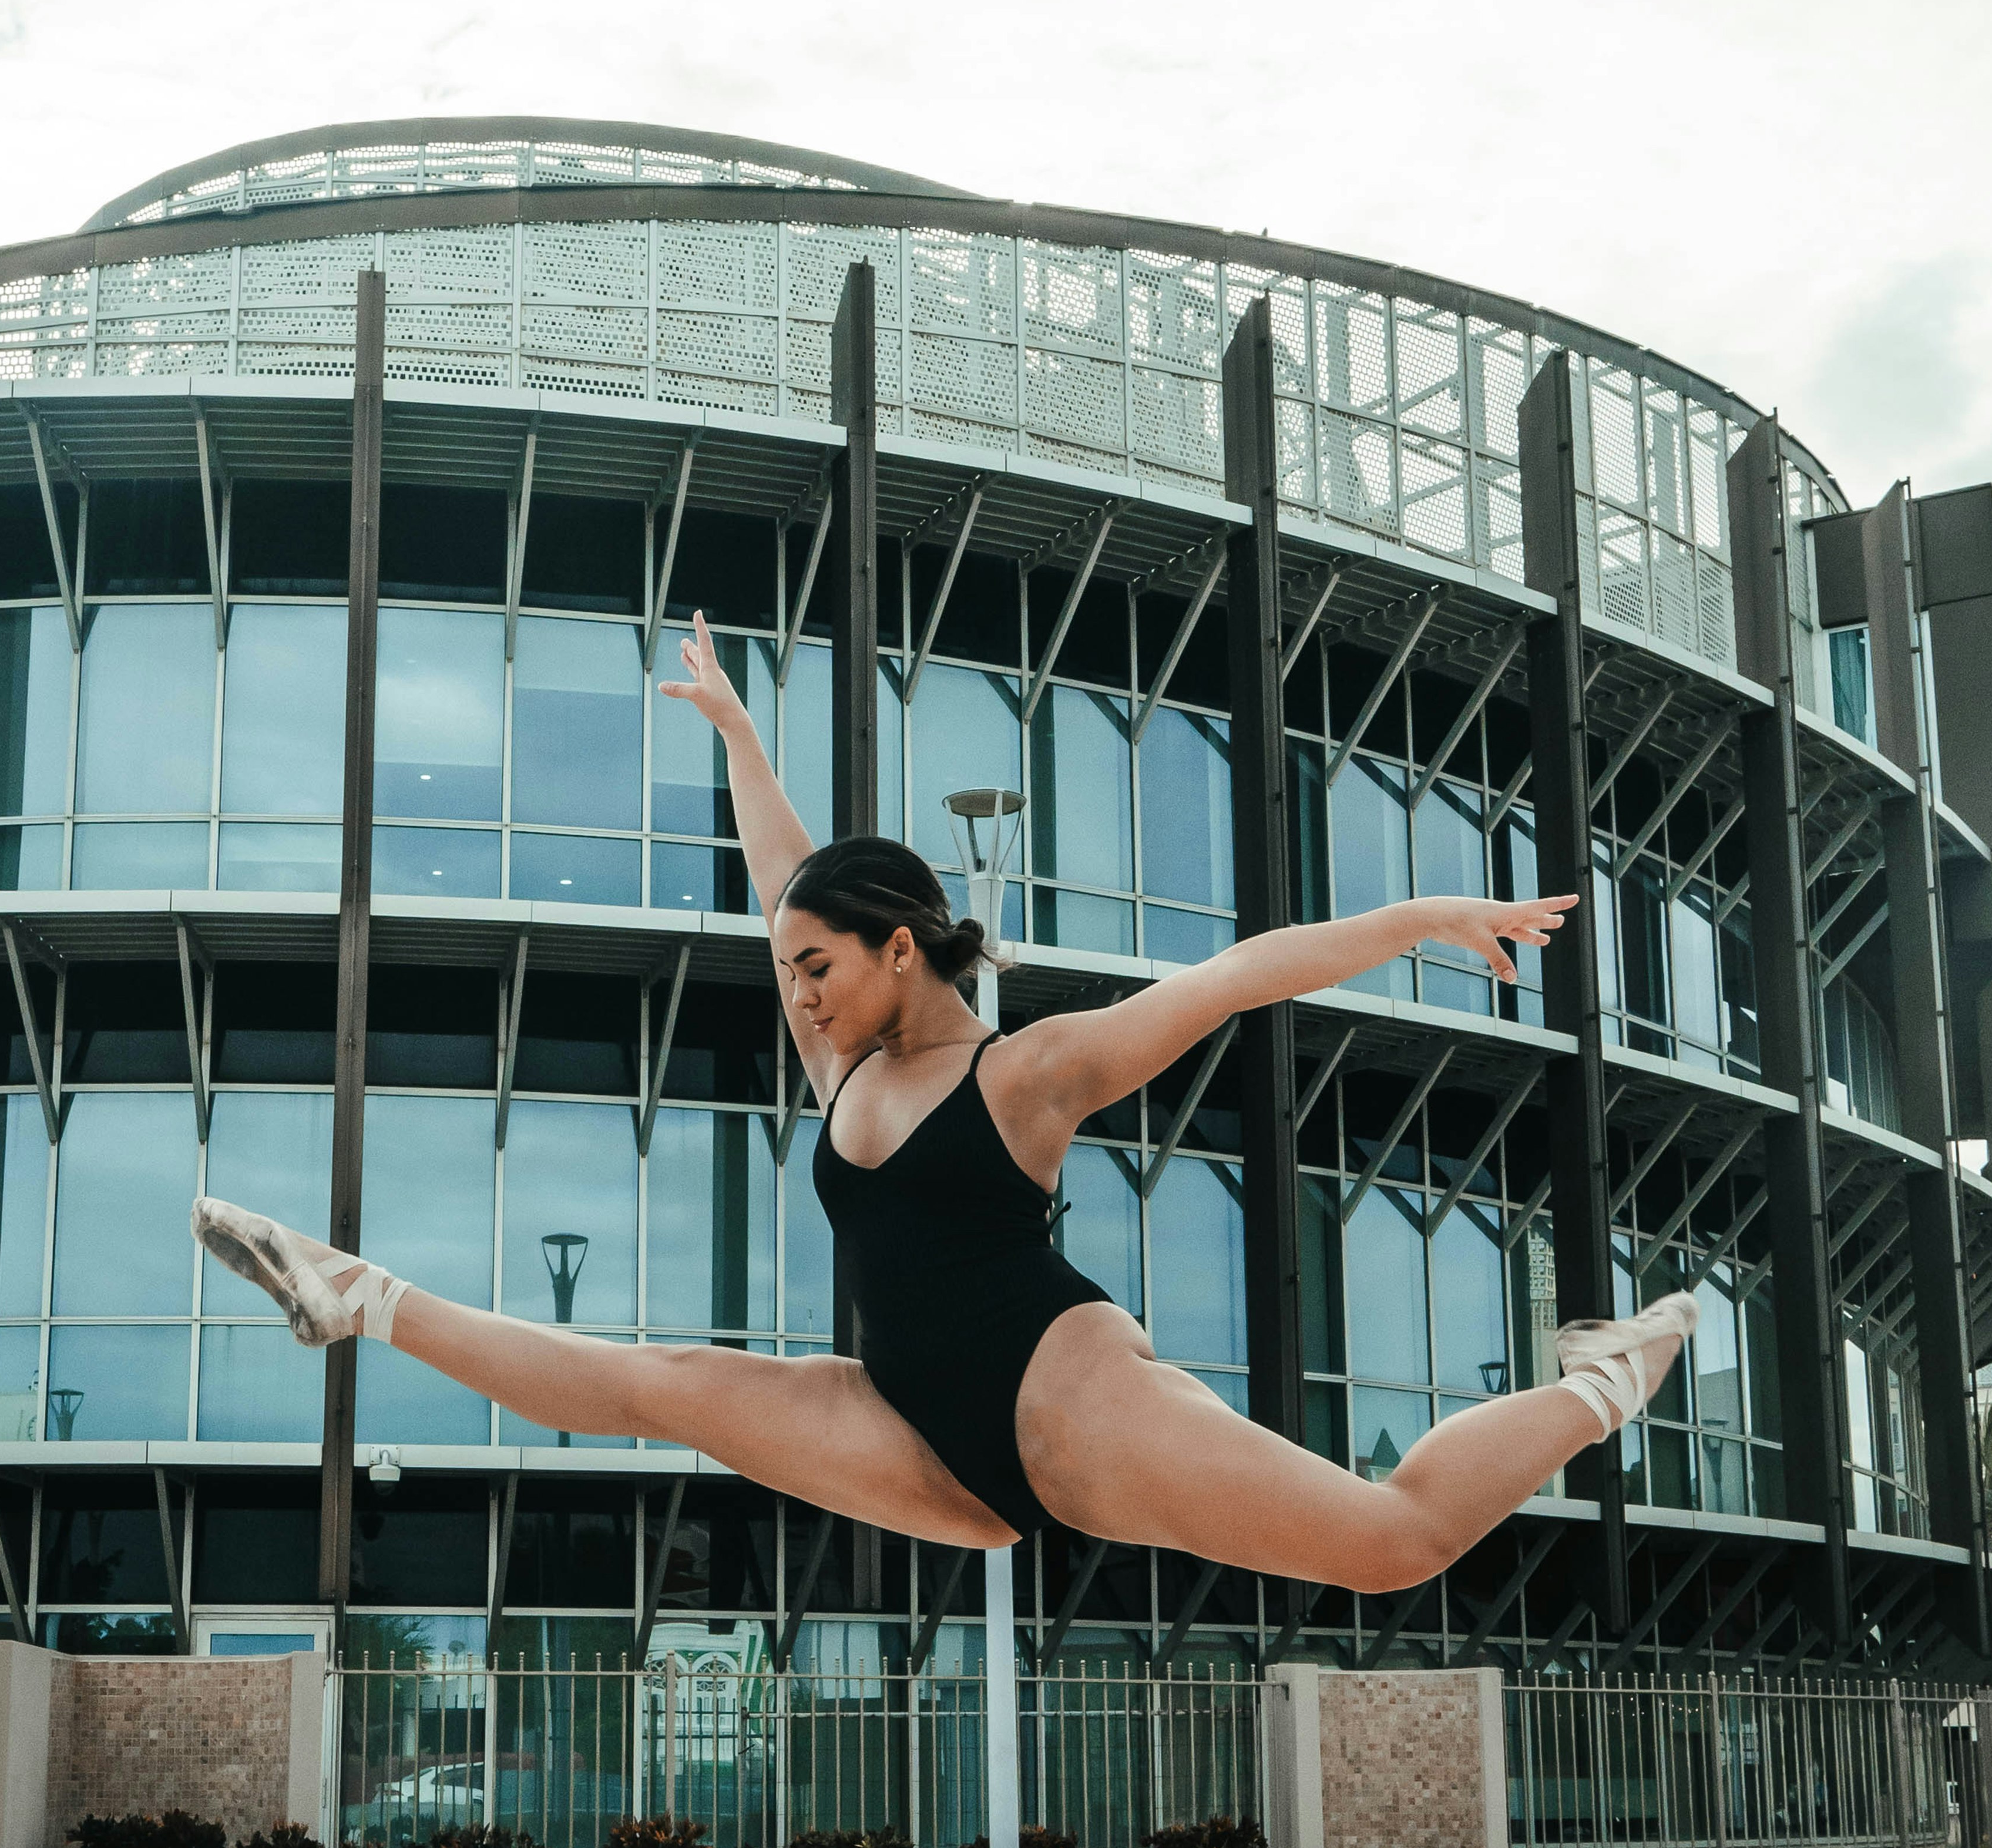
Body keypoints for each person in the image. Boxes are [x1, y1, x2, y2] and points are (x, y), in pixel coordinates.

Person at [194, 611, 1694, 1590]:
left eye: (817, 967)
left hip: (1064, 1398)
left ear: (897, 947)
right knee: (665, 1387)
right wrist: (738, 740)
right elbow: (784, 874)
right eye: (782, 971)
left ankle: (1597, 1380)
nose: (794, 990)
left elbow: (1233, 978)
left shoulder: (1024, 1072)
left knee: (1390, 1544)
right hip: (908, 1424)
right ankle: (361, 1295)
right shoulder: (837, 1060)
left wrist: (1421, 918)